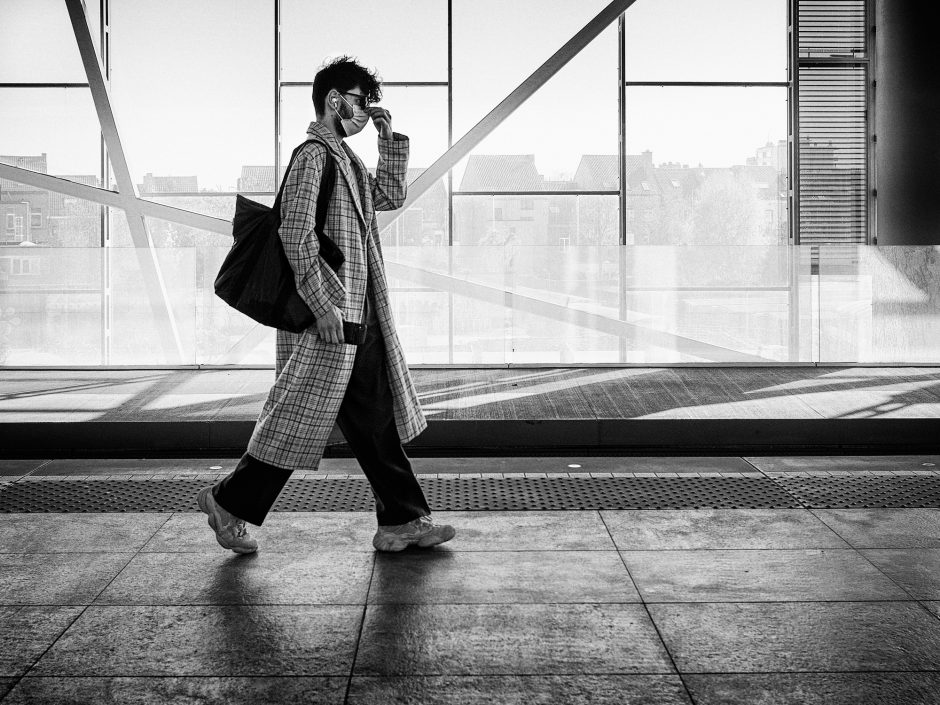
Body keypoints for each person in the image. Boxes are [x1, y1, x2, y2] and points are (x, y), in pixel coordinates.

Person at [197, 56, 455, 554]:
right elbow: (295, 233)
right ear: (335, 100)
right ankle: (229, 501)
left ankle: (401, 520)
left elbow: (390, 195)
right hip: (332, 316)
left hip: (359, 311)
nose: (365, 110)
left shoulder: (345, 158)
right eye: (360, 101)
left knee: (370, 417)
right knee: (298, 416)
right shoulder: (313, 156)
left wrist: (387, 141)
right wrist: (321, 306)